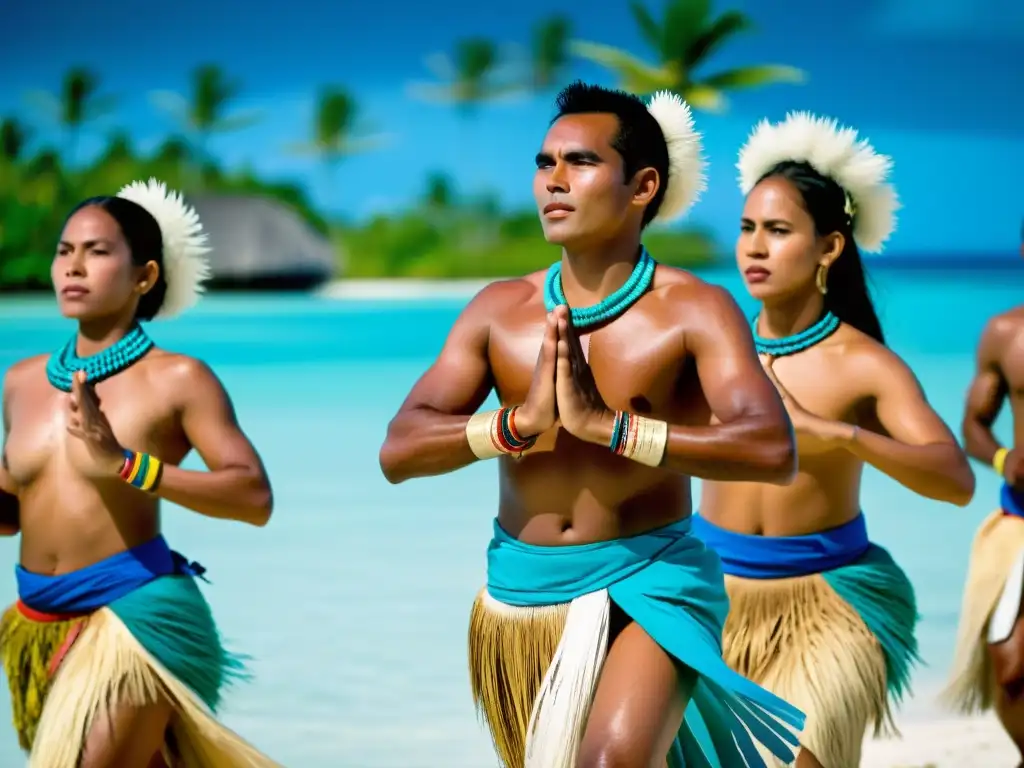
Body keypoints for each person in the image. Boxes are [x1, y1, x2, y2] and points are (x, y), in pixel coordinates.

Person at [379, 80, 806, 768]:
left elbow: (770, 448)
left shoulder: (694, 309)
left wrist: (610, 427)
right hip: (521, 600)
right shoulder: (499, 309)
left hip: (652, 580)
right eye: (545, 164)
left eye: (579, 162)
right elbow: (399, 450)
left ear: (642, 186)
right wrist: (515, 424)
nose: (554, 181)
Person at [691, 112, 976, 768]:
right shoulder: (712, 345)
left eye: (779, 231)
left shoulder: (862, 363)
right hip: (712, 592)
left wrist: (839, 435)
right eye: (746, 229)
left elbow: (953, 479)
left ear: (829, 248)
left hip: (828, 599)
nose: (755, 248)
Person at [0, 179, 281, 767]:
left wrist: (126, 464)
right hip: (36, 621)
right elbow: (10, 515)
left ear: (145, 277)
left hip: (135, 616)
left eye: (98, 252)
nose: (73, 266)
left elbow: (253, 497)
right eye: (64, 250)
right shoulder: (21, 381)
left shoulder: (177, 379)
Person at [943, 238, 1024, 760]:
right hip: (1019, 520)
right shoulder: (1005, 333)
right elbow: (973, 426)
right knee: (1010, 664)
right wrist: (1002, 459)